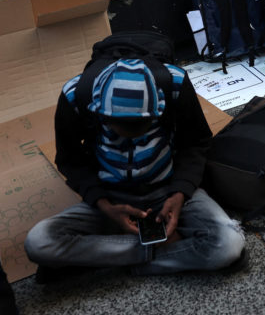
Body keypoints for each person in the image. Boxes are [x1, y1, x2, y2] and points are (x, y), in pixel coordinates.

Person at [24, 57, 246, 282]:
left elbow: (197, 142)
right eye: (121, 129)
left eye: (143, 127)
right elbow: (69, 159)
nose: (134, 136)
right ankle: (167, 250)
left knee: (228, 244)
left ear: (157, 109)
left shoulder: (175, 84)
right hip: (111, 198)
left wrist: (180, 192)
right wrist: (104, 204)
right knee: (38, 242)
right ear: (100, 112)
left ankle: (104, 259)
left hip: (169, 190)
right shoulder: (75, 96)